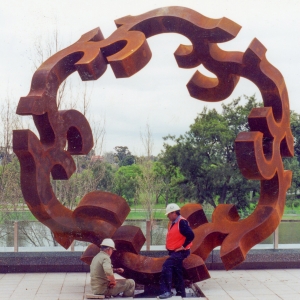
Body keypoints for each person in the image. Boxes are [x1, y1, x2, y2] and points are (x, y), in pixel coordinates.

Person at [158, 203, 195, 299]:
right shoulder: (174, 222)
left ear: (174, 213)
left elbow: (191, 235)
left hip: (181, 252)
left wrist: (183, 246)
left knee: (167, 265)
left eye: (169, 214)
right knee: (177, 271)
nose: (168, 216)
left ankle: (166, 291)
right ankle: (181, 294)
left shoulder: (182, 222)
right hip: (175, 252)